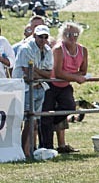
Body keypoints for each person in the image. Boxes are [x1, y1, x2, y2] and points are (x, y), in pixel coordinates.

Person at [40, 22, 88, 153]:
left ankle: (48, 125)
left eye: (75, 34)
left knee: (69, 106)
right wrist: (75, 77)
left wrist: (72, 76)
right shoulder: (58, 49)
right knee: (46, 114)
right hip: (52, 84)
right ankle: (47, 147)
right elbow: (58, 72)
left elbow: (83, 70)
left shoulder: (83, 50)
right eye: (68, 34)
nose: (72, 37)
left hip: (65, 85)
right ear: (62, 35)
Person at [12, 25, 53, 159]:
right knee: (25, 121)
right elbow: (28, 72)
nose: (43, 39)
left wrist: (37, 72)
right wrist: (39, 73)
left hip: (39, 87)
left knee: (33, 121)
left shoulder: (48, 50)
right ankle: (24, 152)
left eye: (45, 37)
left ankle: (27, 151)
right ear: (34, 36)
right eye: (40, 36)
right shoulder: (26, 49)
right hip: (24, 88)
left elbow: (49, 74)